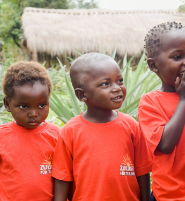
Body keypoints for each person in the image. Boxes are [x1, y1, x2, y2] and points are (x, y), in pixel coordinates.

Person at [52, 52, 152, 201]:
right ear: (81, 95)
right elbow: (62, 179)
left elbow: (142, 173)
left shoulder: (131, 126)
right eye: (105, 84)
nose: (117, 88)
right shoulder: (70, 131)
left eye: (119, 80)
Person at [138, 22, 185, 201]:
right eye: (177, 56)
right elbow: (165, 145)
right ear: (153, 66)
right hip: (170, 195)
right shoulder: (150, 102)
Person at [0, 61, 60, 200]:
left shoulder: (58, 136)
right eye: (24, 106)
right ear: (7, 104)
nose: (34, 113)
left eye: (41, 105)